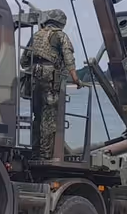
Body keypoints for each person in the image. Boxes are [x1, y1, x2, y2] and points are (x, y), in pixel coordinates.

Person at [24, 9, 84, 159]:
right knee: (49, 118)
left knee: (37, 117)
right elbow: (69, 57)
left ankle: (34, 151)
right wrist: (76, 79)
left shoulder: (36, 35)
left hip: (33, 78)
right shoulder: (60, 35)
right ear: (61, 23)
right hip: (49, 79)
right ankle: (45, 155)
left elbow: (24, 60)